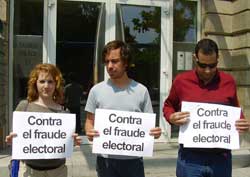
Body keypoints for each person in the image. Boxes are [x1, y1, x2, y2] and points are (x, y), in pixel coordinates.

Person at [163, 38, 250, 177]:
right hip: (190, 159)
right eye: (202, 65)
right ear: (194, 58)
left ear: (218, 59)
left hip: (221, 159)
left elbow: (236, 111)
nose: (208, 71)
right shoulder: (181, 80)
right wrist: (171, 117)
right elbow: (168, 106)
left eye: (213, 65)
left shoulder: (228, 82)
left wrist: (242, 123)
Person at [84, 40, 162, 177]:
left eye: (114, 61)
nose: (109, 66)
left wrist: (155, 132)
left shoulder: (141, 91)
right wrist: (89, 132)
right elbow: (89, 121)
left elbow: (150, 126)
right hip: (105, 160)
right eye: (107, 61)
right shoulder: (96, 91)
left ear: (126, 62)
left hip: (133, 161)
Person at [5, 63, 81, 177]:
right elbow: (16, 137)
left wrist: (72, 142)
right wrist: (13, 141)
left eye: (50, 81)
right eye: (42, 81)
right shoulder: (24, 106)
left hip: (58, 171)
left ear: (56, 84)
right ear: (35, 83)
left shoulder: (64, 113)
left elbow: (65, 143)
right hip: (30, 171)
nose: (46, 86)